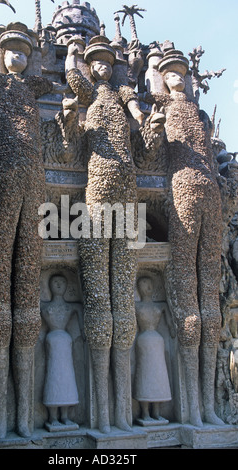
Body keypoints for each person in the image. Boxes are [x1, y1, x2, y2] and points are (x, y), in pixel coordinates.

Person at [65, 34, 165, 433]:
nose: (103, 66)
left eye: (108, 61)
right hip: (96, 192)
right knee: (99, 300)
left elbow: (140, 122)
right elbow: (74, 82)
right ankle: (102, 415)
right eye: (97, 62)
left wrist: (146, 120)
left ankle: (122, 415)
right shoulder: (87, 95)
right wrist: (72, 55)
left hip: (127, 190)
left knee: (121, 300)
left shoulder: (124, 99)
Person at [0, 24, 54, 438]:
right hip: (4, 178)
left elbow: (48, 77)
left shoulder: (33, 86)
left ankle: (23, 421)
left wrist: (45, 52)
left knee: (27, 278)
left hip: (35, 183)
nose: (16, 57)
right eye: (10, 51)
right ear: (0, 55)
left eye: (23, 51)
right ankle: (0, 424)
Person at [154, 47, 224, 426]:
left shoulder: (197, 114)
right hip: (181, 191)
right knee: (189, 304)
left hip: (210, 192)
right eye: (170, 73)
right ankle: (192, 409)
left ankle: (209, 407)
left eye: (182, 73)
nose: (177, 78)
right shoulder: (160, 108)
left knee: (209, 303)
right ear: (161, 78)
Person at [41, 274, 82, 431]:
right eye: (55, 282)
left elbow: (79, 308)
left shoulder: (69, 307)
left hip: (65, 343)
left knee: (66, 380)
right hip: (53, 341)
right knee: (53, 378)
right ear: (50, 286)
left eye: (62, 282)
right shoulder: (46, 307)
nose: (59, 284)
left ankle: (64, 416)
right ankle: (52, 416)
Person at [133, 276, 175, 426]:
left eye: (150, 283)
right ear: (138, 288)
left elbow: (171, 325)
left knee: (158, 377)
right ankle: (145, 412)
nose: (148, 287)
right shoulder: (136, 306)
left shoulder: (161, 305)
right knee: (145, 375)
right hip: (144, 340)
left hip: (157, 341)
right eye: (144, 284)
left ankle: (156, 412)